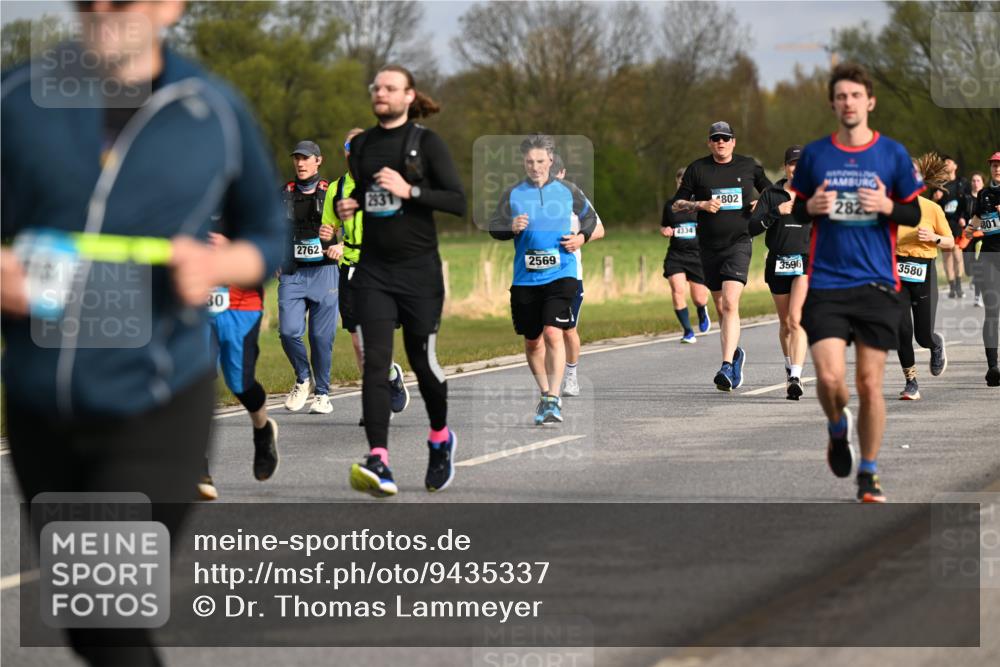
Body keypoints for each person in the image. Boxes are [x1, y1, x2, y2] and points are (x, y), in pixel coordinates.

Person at [0, 1, 285, 664]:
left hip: (155, 399)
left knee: (104, 609)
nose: (101, 11)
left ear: (168, 7)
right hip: (42, 407)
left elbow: (267, 234)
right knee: (91, 625)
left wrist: (222, 262)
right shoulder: (18, 100)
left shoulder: (210, 110)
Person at [791, 62, 923, 503]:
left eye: (855, 95)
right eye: (841, 96)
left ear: (870, 101)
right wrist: (811, 206)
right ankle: (836, 427)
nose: (848, 102)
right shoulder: (815, 155)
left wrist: (887, 204)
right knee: (830, 381)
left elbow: (914, 214)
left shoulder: (892, 155)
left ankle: (869, 471)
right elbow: (794, 212)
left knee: (869, 384)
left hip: (877, 284)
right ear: (833, 104)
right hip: (826, 283)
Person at [334, 64, 466, 497]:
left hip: (419, 274)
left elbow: (457, 201)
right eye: (377, 86)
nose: (381, 92)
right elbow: (366, 196)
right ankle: (379, 458)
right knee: (375, 362)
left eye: (391, 87)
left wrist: (411, 192)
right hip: (373, 272)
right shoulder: (363, 147)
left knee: (423, 363)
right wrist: (350, 207)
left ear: (409, 96)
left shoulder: (426, 144)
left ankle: (440, 437)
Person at [490, 135, 599, 425]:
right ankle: (545, 394)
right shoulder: (513, 193)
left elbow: (590, 219)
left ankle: (553, 397)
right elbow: (494, 226)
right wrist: (510, 227)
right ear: (523, 162)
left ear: (550, 161)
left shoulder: (568, 190)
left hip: (561, 273)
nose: (535, 166)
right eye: (529, 162)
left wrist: (580, 238)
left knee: (553, 332)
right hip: (525, 278)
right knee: (532, 341)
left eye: (540, 161)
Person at [320, 128, 410, 423]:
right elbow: (329, 229)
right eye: (349, 145)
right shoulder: (337, 188)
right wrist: (328, 238)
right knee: (358, 342)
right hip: (350, 271)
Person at [673, 121, 772, 391]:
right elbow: (677, 203)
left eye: (725, 138)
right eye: (716, 138)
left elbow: (772, 192)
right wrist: (700, 204)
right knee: (721, 308)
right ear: (709, 142)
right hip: (708, 247)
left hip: (739, 243)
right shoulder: (698, 169)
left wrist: (759, 203)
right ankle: (736, 354)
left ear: (733, 142)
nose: (721, 142)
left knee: (729, 304)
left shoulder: (748, 166)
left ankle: (726, 365)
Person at [198, 231, 280, 501]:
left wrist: (233, 248)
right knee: (195, 381)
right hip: (194, 301)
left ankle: (262, 429)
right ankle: (200, 470)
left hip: (241, 303)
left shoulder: (244, 191)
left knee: (239, 383)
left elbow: (271, 246)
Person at [278, 140, 340, 414]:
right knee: (289, 331)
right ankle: (303, 378)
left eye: (306, 158)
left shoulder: (332, 193)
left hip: (325, 272)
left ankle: (323, 394)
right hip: (292, 274)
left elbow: (353, 224)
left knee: (320, 337)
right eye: (296, 159)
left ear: (318, 161)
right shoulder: (284, 193)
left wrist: (343, 245)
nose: (300, 164)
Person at [748, 145, 810, 400]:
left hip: (806, 263)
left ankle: (796, 376)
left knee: (796, 319)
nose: (797, 168)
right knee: (785, 323)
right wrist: (777, 212)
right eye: (792, 163)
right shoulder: (772, 194)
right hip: (777, 262)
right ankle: (789, 368)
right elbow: (752, 228)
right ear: (786, 167)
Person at [894, 154, 954, 400]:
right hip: (895, 269)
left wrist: (934, 238)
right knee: (901, 329)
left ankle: (935, 342)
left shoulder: (932, 209)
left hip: (924, 269)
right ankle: (911, 382)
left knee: (922, 334)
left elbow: (950, 242)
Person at [547, 153, 605, 396]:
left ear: (562, 174)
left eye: (553, 175)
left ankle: (571, 375)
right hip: (538, 273)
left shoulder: (574, 195)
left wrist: (580, 239)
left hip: (569, 273)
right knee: (545, 331)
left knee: (568, 329)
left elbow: (600, 229)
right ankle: (549, 384)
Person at [662, 167, 711, 344]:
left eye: (686, 182)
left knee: (698, 297)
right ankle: (688, 331)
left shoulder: (700, 205)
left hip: (697, 255)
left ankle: (701, 309)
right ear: (677, 183)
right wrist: (665, 230)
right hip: (676, 254)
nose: (683, 185)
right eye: (680, 181)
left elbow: (711, 226)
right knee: (677, 290)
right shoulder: (670, 205)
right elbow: (664, 226)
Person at [964, 152, 1000, 387]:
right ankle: (993, 368)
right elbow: (978, 218)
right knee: (992, 312)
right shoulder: (985, 194)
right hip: (988, 257)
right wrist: (969, 229)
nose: (997, 169)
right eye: (994, 165)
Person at [939, 155, 968, 298]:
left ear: (955, 166)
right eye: (944, 163)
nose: (946, 165)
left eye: (948, 162)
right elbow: (933, 206)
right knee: (946, 257)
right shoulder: (939, 185)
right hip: (943, 224)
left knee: (957, 254)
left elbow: (969, 203)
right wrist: (934, 198)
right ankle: (951, 287)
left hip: (957, 223)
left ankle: (958, 284)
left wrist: (964, 217)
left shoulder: (962, 183)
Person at [964, 171, 987, 307]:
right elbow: (959, 212)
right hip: (967, 236)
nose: (975, 183)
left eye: (978, 180)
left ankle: (978, 297)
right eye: (973, 180)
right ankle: (973, 278)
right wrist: (961, 219)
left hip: (981, 237)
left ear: (983, 183)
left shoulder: (988, 197)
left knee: (979, 268)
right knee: (969, 269)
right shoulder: (966, 198)